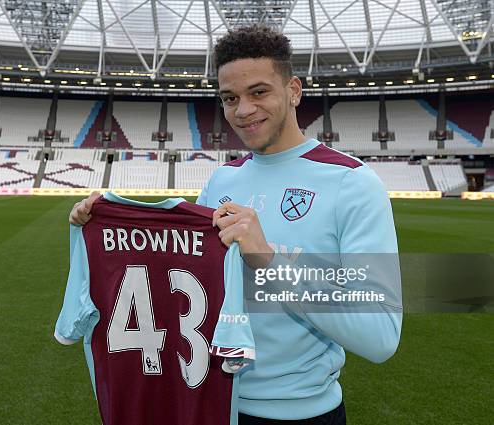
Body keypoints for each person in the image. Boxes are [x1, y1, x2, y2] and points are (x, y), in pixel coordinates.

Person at [69, 25, 402, 425]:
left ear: (294, 90)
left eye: (259, 92)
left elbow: (381, 336)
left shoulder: (352, 183)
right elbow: (178, 281)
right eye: (230, 98)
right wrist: (101, 226)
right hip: (208, 402)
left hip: (301, 415)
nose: (243, 110)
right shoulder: (221, 181)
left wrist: (270, 261)